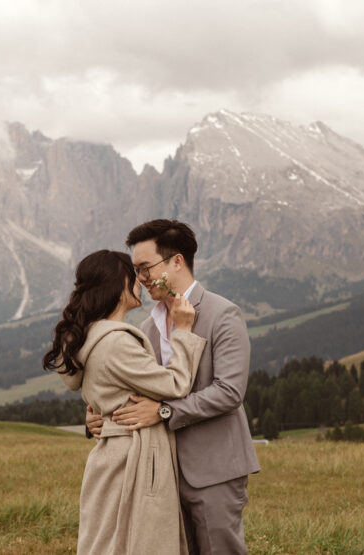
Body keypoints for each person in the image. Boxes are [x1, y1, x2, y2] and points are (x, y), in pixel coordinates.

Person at [87, 220, 261, 554]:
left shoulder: (223, 314)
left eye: (145, 267)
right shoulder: (146, 327)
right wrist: (98, 415)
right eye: (136, 270)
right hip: (159, 477)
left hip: (214, 471)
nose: (140, 278)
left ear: (177, 262)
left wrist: (165, 411)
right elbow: (135, 387)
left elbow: (229, 392)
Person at [43, 249, 206, 554]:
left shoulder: (87, 337)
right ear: (119, 287)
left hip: (110, 454)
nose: (141, 280)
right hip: (134, 456)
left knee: (107, 541)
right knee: (138, 542)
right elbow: (175, 384)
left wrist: (98, 416)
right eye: (134, 275)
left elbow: (102, 390)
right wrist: (183, 330)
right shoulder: (116, 341)